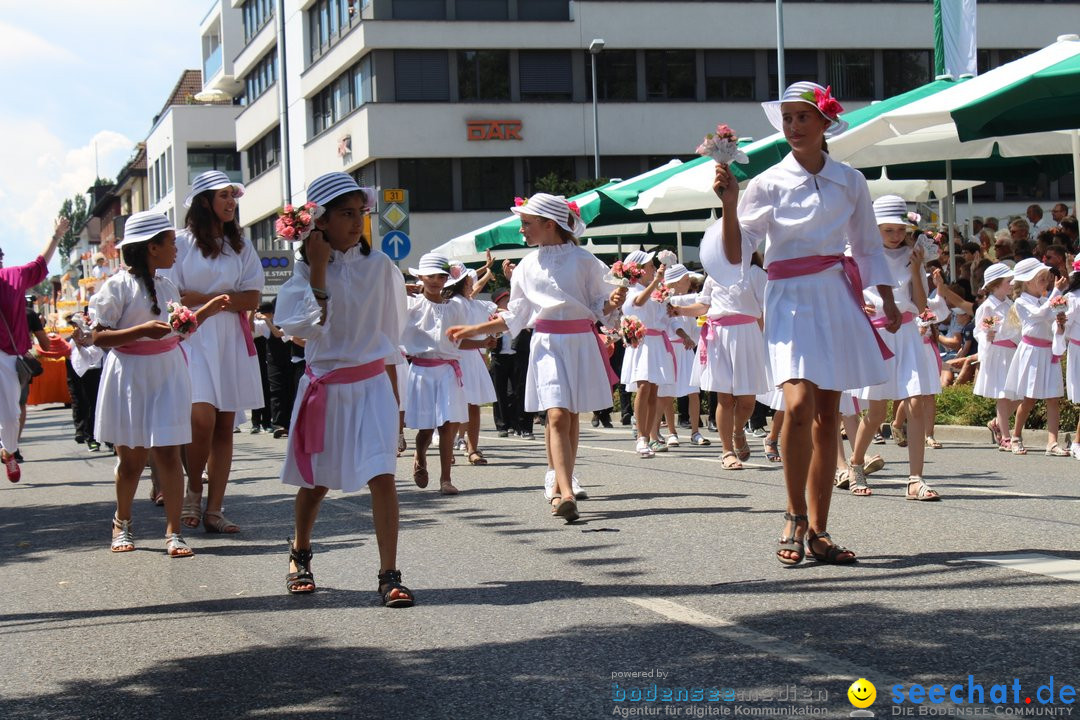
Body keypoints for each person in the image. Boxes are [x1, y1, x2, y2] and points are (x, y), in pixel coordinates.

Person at [705, 81, 900, 565]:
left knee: (827, 415)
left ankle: (818, 530)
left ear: (824, 122)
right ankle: (793, 513)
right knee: (795, 404)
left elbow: (868, 246)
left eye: (802, 117)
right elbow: (735, 253)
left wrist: (889, 301)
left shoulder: (851, 180)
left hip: (835, 293)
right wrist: (729, 204)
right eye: (787, 118)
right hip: (788, 296)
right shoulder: (767, 182)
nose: (793, 126)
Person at [272, 173, 413, 605]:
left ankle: (389, 573)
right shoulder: (301, 273)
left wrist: (398, 407)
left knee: (382, 476)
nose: (356, 223)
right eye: (346, 214)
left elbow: (390, 339)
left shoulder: (380, 267)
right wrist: (317, 268)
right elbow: (301, 329)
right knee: (316, 483)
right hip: (327, 388)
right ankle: (300, 553)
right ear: (320, 221)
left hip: (371, 385)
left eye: (360, 213)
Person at [447, 193, 627, 523]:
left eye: (526, 224)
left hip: (580, 341)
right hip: (546, 342)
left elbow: (603, 307)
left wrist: (614, 301)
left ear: (549, 224)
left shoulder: (585, 261)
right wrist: (473, 328)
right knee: (557, 414)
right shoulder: (527, 266)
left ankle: (562, 485)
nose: (521, 231)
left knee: (570, 415)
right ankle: (566, 492)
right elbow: (516, 315)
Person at [90, 211, 230, 556]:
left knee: (168, 452)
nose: (176, 249)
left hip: (166, 372)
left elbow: (176, 332)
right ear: (152, 248)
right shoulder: (117, 286)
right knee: (133, 459)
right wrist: (139, 331)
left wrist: (205, 312)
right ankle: (122, 522)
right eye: (170, 242)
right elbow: (98, 336)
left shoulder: (167, 286)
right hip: (130, 374)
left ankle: (173, 531)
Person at [165, 170, 265, 534]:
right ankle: (194, 487)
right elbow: (174, 298)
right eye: (223, 195)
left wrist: (204, 300)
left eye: (232, 196)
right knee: (201, 418)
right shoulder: (180, 242)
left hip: (230, 340)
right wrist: (223, 301)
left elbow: (252, 297)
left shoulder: (241, 245)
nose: (230, 202)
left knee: (225, 424)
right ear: (204, 201)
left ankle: (215, 508)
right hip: (194, 337)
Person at [845, 196, 941, 500]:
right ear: (875, 230)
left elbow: (923, 305)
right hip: (878, 335)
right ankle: (856, 462)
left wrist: (916, 268)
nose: (896, 235)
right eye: (888, 230)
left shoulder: (914, 256)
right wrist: (859, 305)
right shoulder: (862, 255)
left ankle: (915, 478)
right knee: (876, 412)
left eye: (900, 229)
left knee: (916, 402)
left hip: (909, 333)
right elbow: (848, 292)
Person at [670, 247, 769, 469]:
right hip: (718, 337)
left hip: (748, 334)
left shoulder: (756, 273)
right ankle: (727, 451)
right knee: (724, 397)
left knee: (747, 399)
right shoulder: (714, 274)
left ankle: (737, 431)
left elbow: (764, 310)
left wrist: (764, 342)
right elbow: (703, 305)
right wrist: (678, 310)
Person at [403, 253, 484, 496]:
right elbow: (378, 297)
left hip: (449, 371)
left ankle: (445, 479)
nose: (437, 280)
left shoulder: (455, 307)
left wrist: (483, 342)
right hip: (421, 370)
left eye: (441, 276)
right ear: (420, 278)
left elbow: (459, 341)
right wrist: (400, 287)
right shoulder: (410, 304)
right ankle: (420, 454)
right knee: (426, 429)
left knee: (448, 424)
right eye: (431, 276)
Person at [0, 219, 67, 481]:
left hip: (8, 356)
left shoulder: (13, 276)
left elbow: (41, 263)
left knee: (11, 412)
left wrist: (56, 235)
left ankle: (9, 451)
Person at [1002, 258, 1068, 456]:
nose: (1046, 282)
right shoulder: (1022, 301)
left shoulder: (1043, 300)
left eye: (1046, 279)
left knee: (1053, 398)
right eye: (1041, 279)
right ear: (1027, 281)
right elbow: (1040, 314)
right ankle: (1016, 436)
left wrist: (1060, 324)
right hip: (1032, 352)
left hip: (1048, 352)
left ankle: (1052, 442)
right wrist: (1056, 293)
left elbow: (1051, 322)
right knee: (1029, 398)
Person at [619, 250, 676, 458]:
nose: (654, 269)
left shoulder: (654, 289)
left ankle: (649, 436)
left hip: (657, 343)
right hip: (642, 344)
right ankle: (641, 437)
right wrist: (656, 283)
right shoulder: (632, 289)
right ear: (639, 270)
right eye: (650, 266)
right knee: (643, 388)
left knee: (653, 391)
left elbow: (663, 315)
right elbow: (639, 302)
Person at [973, 263, 1020, 451]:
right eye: (1009, 281)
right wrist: (987, 336)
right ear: (996, 284)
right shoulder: (987, 307)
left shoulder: (1011, 304)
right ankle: (1006, 437)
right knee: (1003, 394)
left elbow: (1017, 328)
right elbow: (979, 330)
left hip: (1012, 352)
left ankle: (997, 422)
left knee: (1021, 395)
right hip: (998, 352)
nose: (1012, 284)